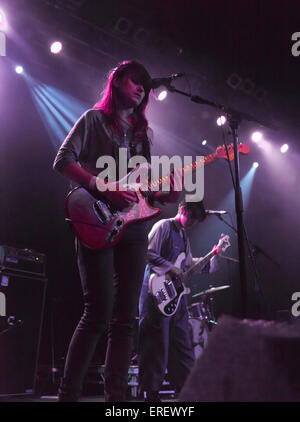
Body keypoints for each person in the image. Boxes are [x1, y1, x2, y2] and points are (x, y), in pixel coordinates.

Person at [53, 60, 178, 402]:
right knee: (97, 312)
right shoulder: (93, 119)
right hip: (94, 217)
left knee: (126, 318)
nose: (141, 89)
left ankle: (117, 400)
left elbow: (143, 188)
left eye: (145, 86)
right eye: (136, 81)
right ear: (118, 80)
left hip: (134, 226)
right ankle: (69, 394)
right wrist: (101, 186)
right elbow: (62, 160)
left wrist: (165, 195)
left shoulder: (144, 134)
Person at [138, 200, 221, 402]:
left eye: (196, 221)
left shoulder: (184, 235)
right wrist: (169, 267)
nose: (192, 223)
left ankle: (186, 388)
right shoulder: (163, 227)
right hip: (156, 293)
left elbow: (186, 264)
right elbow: (147, 252)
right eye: (191, 217)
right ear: (182, 210)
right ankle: (151, 392)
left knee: (182, 343)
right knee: (156, 344)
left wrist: (212, 255)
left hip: (176, 297)